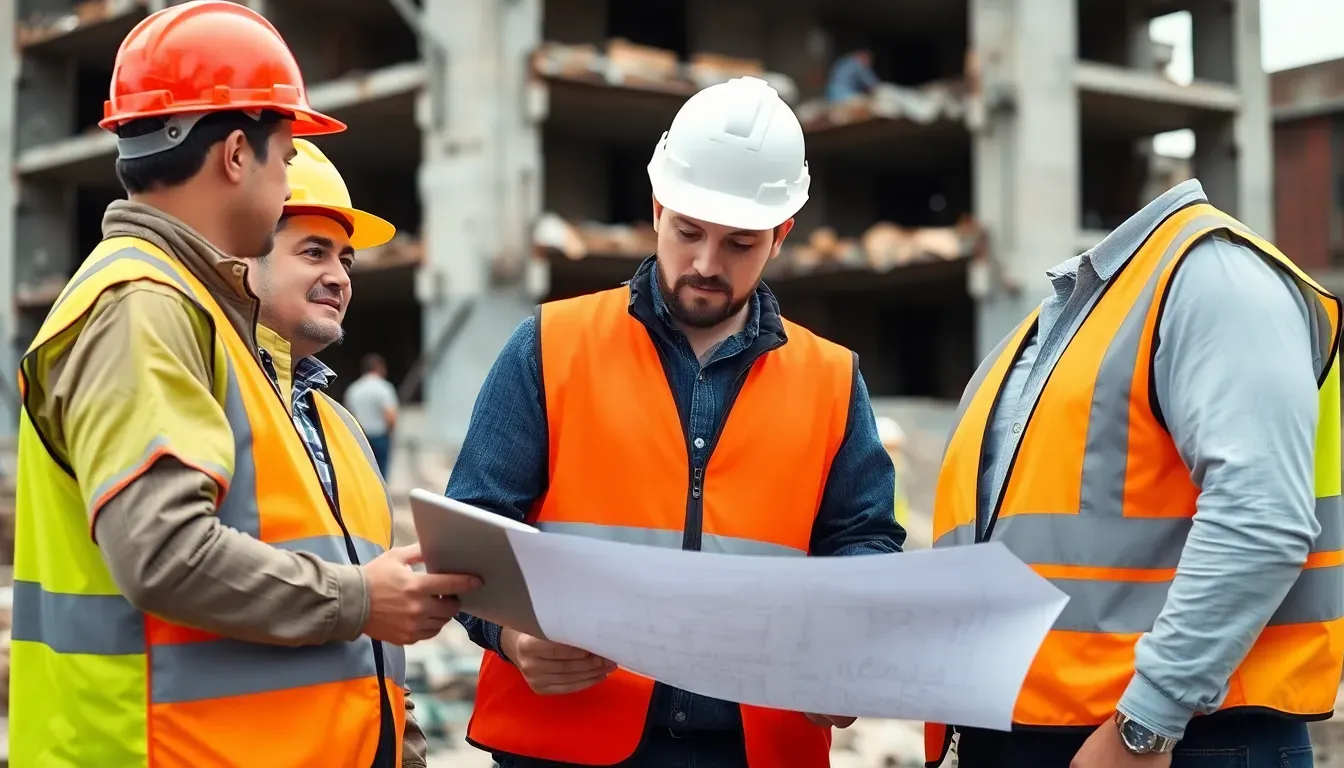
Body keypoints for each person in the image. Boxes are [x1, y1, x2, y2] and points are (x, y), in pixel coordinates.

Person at [8, 4, 479, 767]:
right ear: (236, 153)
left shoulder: (221, 338)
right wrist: (360, 598)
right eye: (287, 155)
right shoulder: (142, 304)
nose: (288, 173)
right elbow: (163, 555)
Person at [447, 75, 906, 768]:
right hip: (567, 740)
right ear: (658, 206)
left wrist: (846, 653)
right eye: (688, 231)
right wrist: (512, 637)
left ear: (781, 235)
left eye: (739, 244)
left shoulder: (833, 379)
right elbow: (470, 532)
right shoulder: (549, 346)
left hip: (751, 747)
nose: (704, 264)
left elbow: (865, 541)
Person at [924, 179, 1344, 768]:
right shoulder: (1048, 335)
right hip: (1028, 733)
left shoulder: (1212, 275)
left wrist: (1146, 722)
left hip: (1175, 742)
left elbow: (1262, 514)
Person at [345, 353, 400, 476]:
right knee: (381, 474)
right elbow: (390, 415)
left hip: (360, 436)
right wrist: (391, 433)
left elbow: (348, 414)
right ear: (379, 368)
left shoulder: (353, 389)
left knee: (363, 472)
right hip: (380, 435)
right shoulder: (384, 388)